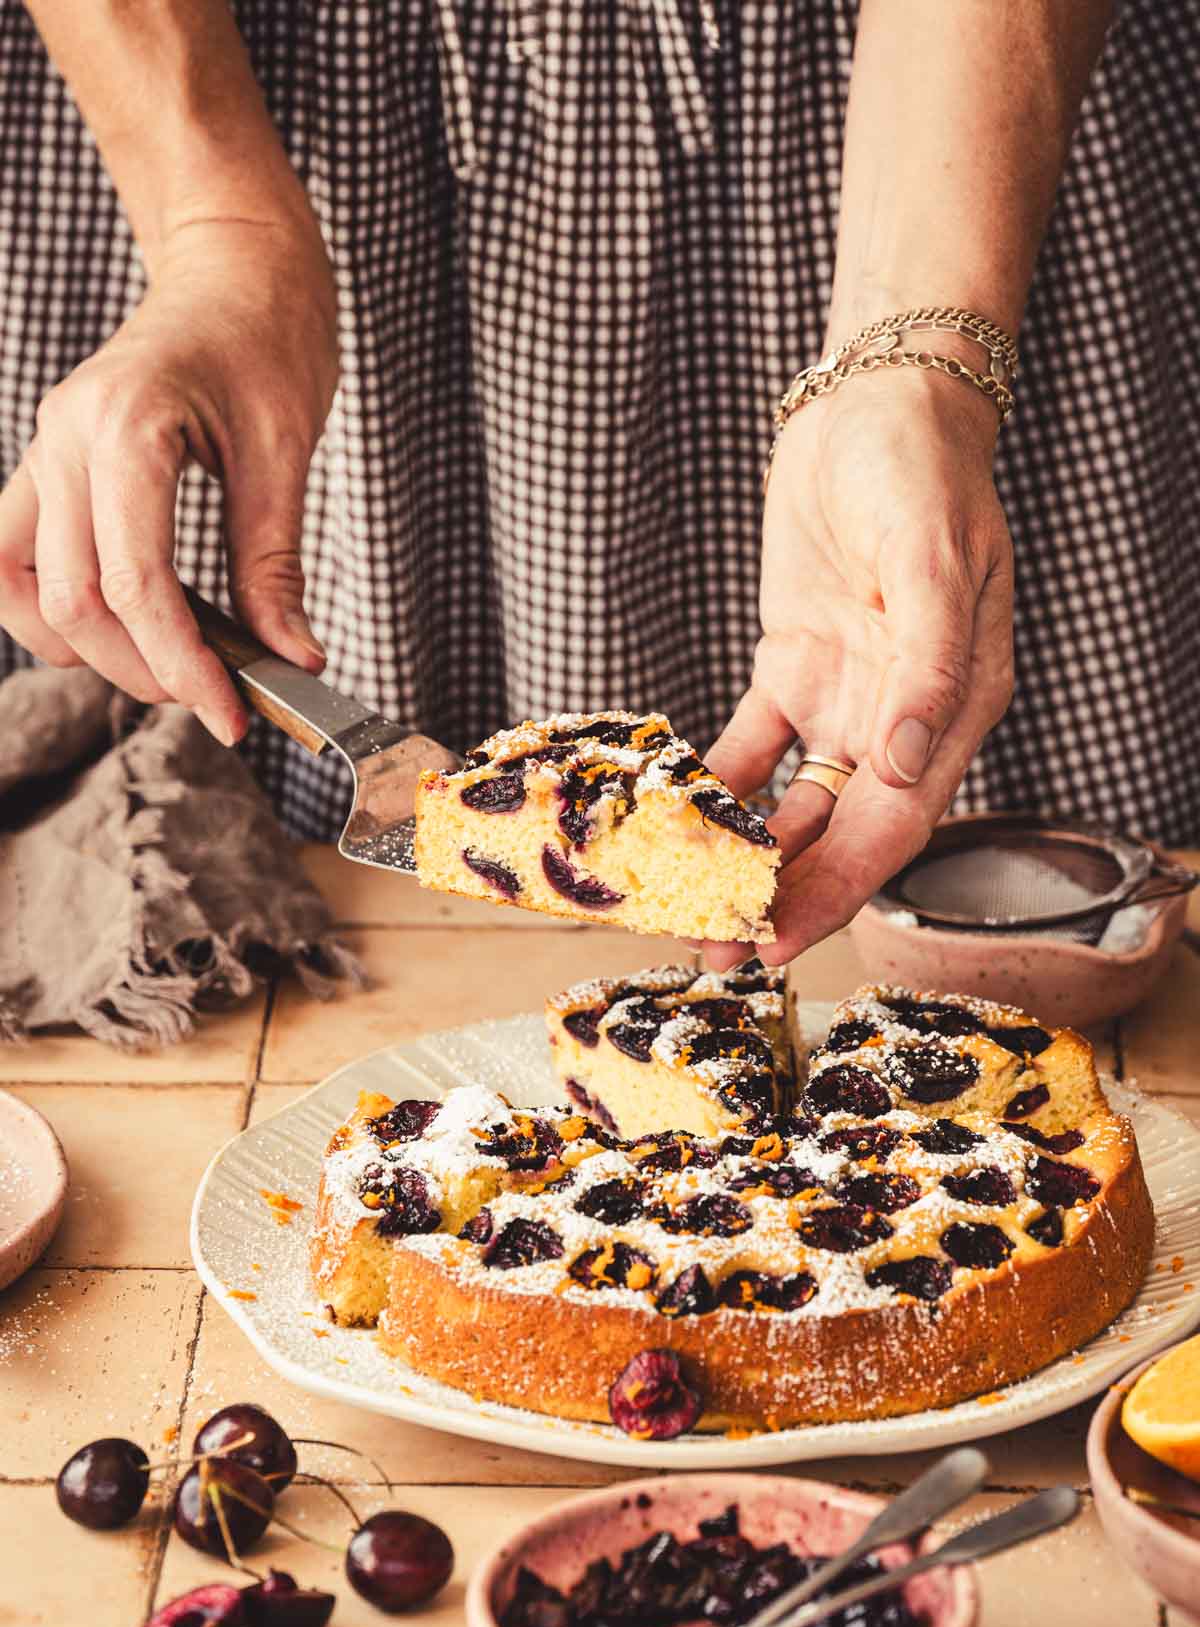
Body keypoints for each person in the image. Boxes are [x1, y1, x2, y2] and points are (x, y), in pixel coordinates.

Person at [1, 1, 1195, 968]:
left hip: (916, 125)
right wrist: (216, 228)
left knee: (948, 747)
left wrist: (910, 365)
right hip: (237, 99)